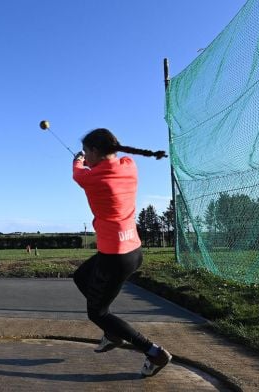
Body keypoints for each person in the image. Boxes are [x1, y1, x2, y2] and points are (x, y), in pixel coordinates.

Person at [71, 128, 171, 377]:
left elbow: (78, 172)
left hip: (114, 257)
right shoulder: (129, 165)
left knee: (98, 312)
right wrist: (85, 160)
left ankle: (153, 352)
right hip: (133, 250)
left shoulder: (92, 179)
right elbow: (113, 161)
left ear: (95, 151)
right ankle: (113, 332)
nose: (85, 156)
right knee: (81, 276)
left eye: (87, 152)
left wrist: (77, 160)